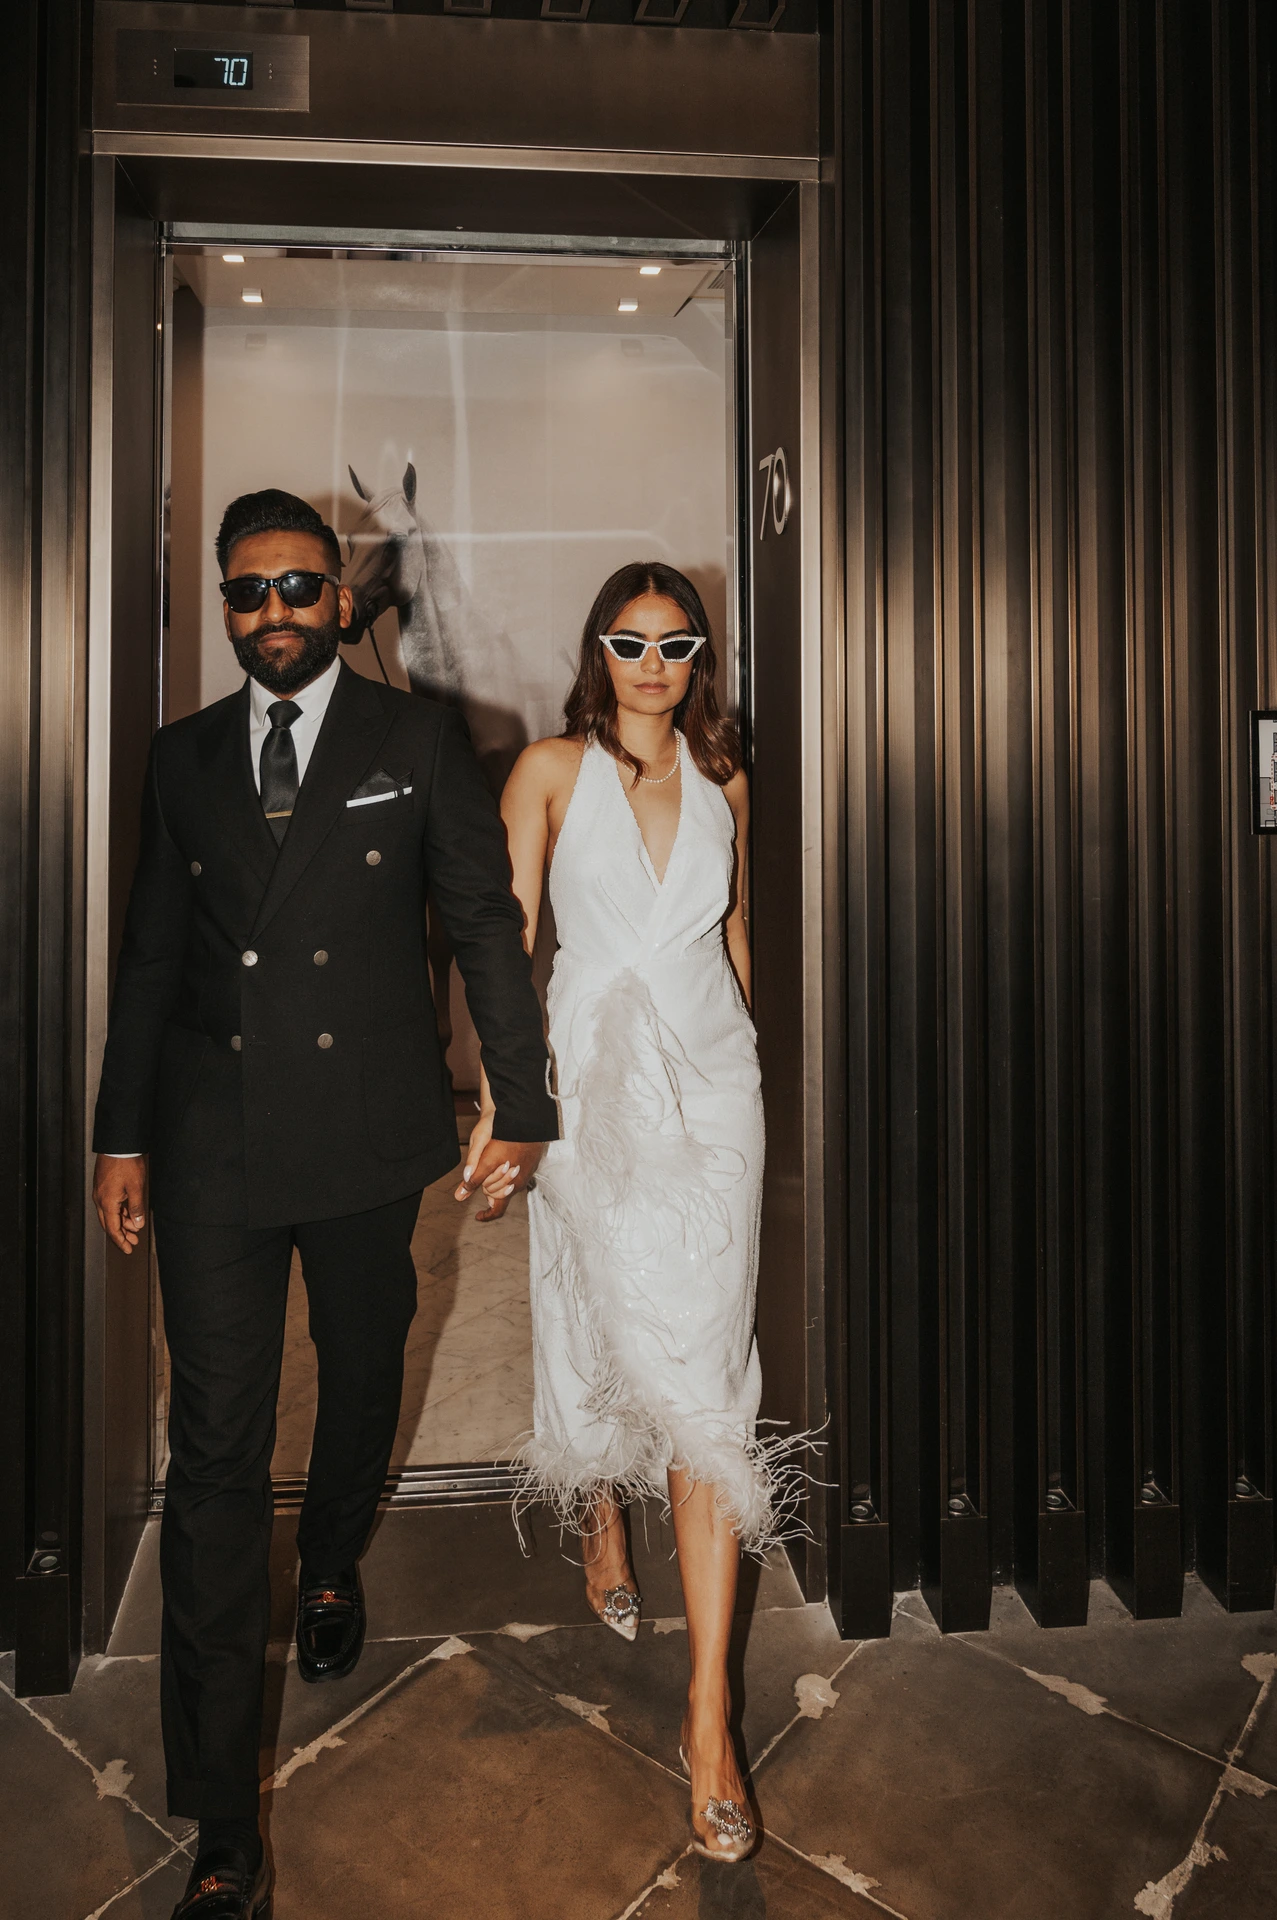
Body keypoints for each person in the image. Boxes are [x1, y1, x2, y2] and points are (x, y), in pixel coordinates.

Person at [92, 489, 556, 1920]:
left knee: (362, 1375)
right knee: (217, 1452)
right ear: (226, 608)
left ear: (339, 603)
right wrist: (121, 1136)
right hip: (213, 1136)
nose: (275, 613)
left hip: (363, 1129)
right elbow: (151, 955)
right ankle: (223, 1820)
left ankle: (337, 1558)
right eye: (248, 592)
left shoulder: (412, 742)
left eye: (298, 587)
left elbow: (482, 920)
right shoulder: (179, 757)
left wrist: (522, 1098)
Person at [476, 561, 788, 1865]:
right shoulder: (549, 772)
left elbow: (735, 935)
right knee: (599, 1319)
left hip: (713, 1092)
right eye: (629, 641)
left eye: (676, 644)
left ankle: (709, 1720)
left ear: (700, 656)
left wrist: (748, 1066)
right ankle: (599, 1507)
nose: (652, 665)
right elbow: (510, 937)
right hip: (586, 1083)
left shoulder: (725, 780)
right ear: (596, 651)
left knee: (709, 1385)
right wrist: (506, 1103)